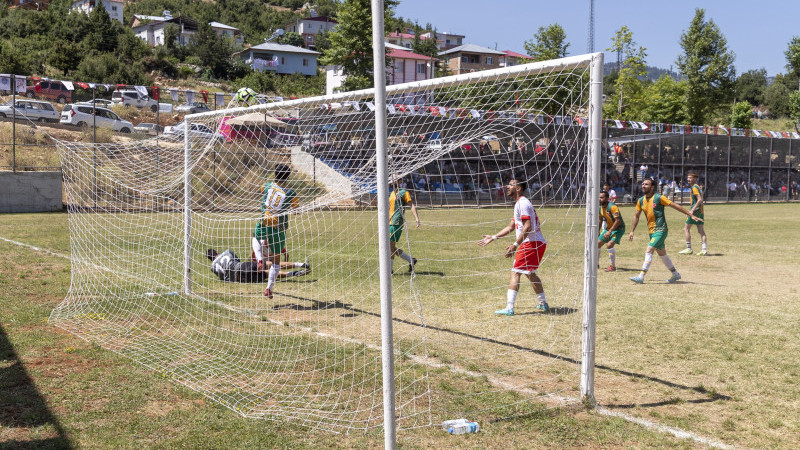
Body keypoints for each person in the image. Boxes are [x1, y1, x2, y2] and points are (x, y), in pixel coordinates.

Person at [478, 179, 549, 315]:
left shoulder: (522, 203)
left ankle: (509, 308)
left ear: (519, 188)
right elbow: (511, 227)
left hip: (530, 243)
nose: (507, 187)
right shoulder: (520, 203)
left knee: (515, 272)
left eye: (511, 184)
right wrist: (493, 237)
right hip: (537, 243)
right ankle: (543, 303)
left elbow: (527, 226)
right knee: (530, 274)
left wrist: (515, 245)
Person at [628, 177, 703, 284]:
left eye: (646, 184)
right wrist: (632, 231)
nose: (643, 186)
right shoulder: (641, 200)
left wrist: (690, 214)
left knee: (649, 250)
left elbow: (675, 205)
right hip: (651, 231)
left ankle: (641, 276)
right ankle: (675, 274)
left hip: (661, 229)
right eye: (643, 184)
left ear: (652, 187)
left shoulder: (659, 198)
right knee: (662, 254)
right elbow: (636, 216)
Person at [253, 164, 299, 298]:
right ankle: (268, 288)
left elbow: (261, 190)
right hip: (279, 229)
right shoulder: (291, 193)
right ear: (288, 177)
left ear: (275, 174)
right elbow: (296, 211)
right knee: (276, 260)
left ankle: (260, 259)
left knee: (255, 237)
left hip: (264, 222)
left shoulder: (267, 185)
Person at [207, 248, 309, 283]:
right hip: (242, 266)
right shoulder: (226, 252)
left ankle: (293, 274)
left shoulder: (212, 267)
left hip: (240, 279)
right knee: (272, 264)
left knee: (267, 274)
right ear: (217, 252)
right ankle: (301, 265)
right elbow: (237, 259)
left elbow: (221, 275)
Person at [389, 180, 421, 273]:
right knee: (390, 247)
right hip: (390, 222)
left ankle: (390, 270)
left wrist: (417, 219)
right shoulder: (392, 193)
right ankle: (411, 260)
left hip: (397, 222)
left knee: (390, 246)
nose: (392, 181)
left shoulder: (404, 192)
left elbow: (411, 205)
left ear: (399, 181)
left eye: (395, 179)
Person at [679, 171, 708, 256]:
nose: (688, 179)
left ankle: (688, 249)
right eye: (688, 178)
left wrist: (691, 211)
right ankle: (704, 250)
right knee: (700, 230)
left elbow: (699, 199)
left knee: (686, 229)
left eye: (690, 178)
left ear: (695, 179)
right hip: (700, 211)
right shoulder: (697, 187)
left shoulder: (694, 187)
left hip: (695, 211)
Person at [598, 190, 625, 272]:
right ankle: (596, 263)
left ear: (607, 199)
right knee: (597, 244)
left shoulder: (612, 207)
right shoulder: (600, 208)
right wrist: (598, 232)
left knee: (609, 245)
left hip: (618, 229)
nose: (599, 199)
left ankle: (612, 266)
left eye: (602, 197)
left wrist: (609, 232)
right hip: (608, 228)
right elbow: (600, 220)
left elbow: (617, 221)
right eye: (599, 197)